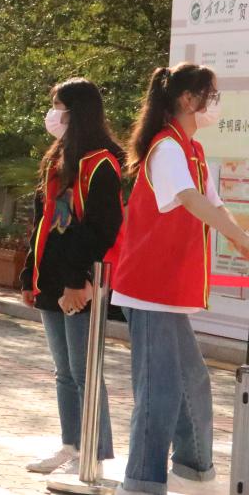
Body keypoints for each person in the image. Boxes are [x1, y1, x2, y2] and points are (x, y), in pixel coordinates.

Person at [111, 64, 249, 495]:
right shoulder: (166, 147)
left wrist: (241, 239)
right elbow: (190, 200)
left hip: (167, 289)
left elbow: (214, 204)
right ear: (188, 99)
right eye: (211, 94)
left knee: (192, 385)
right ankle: (141, 483)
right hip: (149, 288)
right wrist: (240, 238)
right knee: (161, 394)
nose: (215, 103)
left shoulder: (191, 148)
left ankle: (193, 473)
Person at [19, 78, 121, 476]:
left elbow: (102, 229)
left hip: (79, 282)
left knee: (84, 373)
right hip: (51, 279)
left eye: (58, 107)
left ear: (77, 112)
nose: (53, 115)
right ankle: (71, 445)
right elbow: (43, 223)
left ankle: (93, 453)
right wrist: (29, 275)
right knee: (64, 372)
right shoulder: (58, 159)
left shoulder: (102, 164)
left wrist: (77, 281)